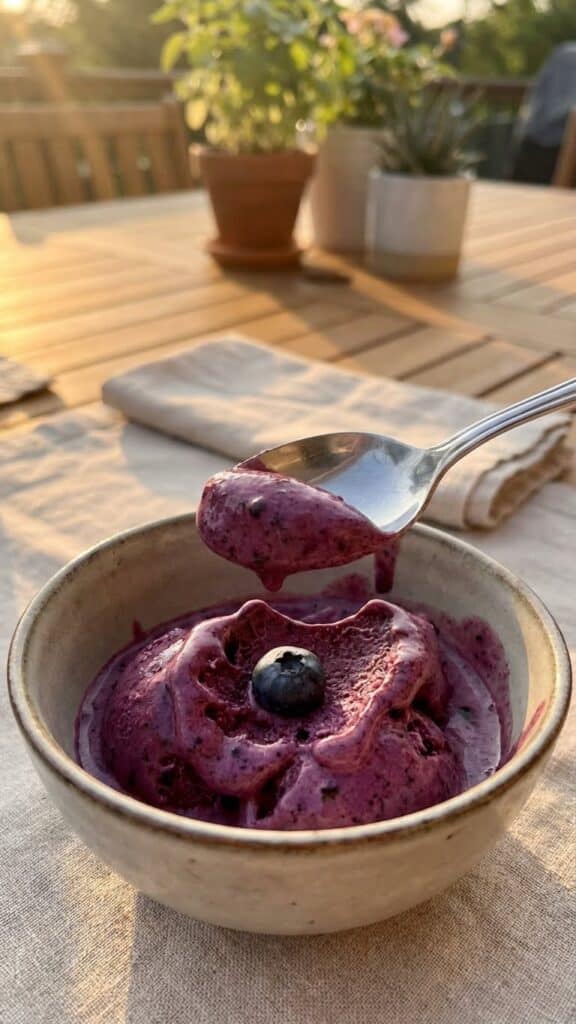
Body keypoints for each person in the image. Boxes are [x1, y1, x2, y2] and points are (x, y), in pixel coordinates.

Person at [511, 42, 576, 184]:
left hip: (540, 148)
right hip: (545, 153)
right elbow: (568, 115)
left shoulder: (566, 53)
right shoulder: (569, 56)